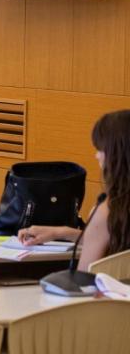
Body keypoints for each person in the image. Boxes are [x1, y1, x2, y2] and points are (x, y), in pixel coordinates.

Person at [19, 109, 130, 270]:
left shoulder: (108, 211)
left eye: (100, 149)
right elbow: (117, 240)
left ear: (116, 154)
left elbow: (84, 277)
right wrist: (62, 232)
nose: (96, 156)